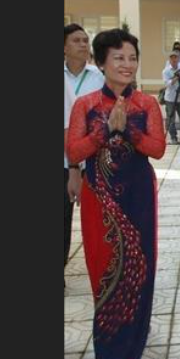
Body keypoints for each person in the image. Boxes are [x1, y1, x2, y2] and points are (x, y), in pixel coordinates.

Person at [66, 28, 166, 359]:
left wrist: (131, 132)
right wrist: (104, 130)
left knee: (141, 270)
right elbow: (74, 151)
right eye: (119, 58)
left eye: (132, 58)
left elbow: (158, 149)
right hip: (100, 199)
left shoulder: (147, 103)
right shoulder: (86, 104)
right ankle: (110, 353)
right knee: (105, 270)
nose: (127, 64)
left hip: (138, 195)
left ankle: (134, 345)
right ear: (101, 62)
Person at [64, 24, 105, 273]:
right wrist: (72, 168)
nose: (83, 44)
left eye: (85, 40)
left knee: (98, 217)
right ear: (64, 47)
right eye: (77, 40)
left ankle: (103, 267)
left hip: (93, 158)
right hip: (64, 160)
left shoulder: (98, 77)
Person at [162, 50, 180, 146]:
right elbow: (167, 84)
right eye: (172, 57)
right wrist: (177, 77)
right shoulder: (166, 71)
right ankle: (173, 138)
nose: (173, 59)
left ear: (178, 59)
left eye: (175, 57)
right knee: (171, 119)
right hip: (170, 98)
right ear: (169, 59)